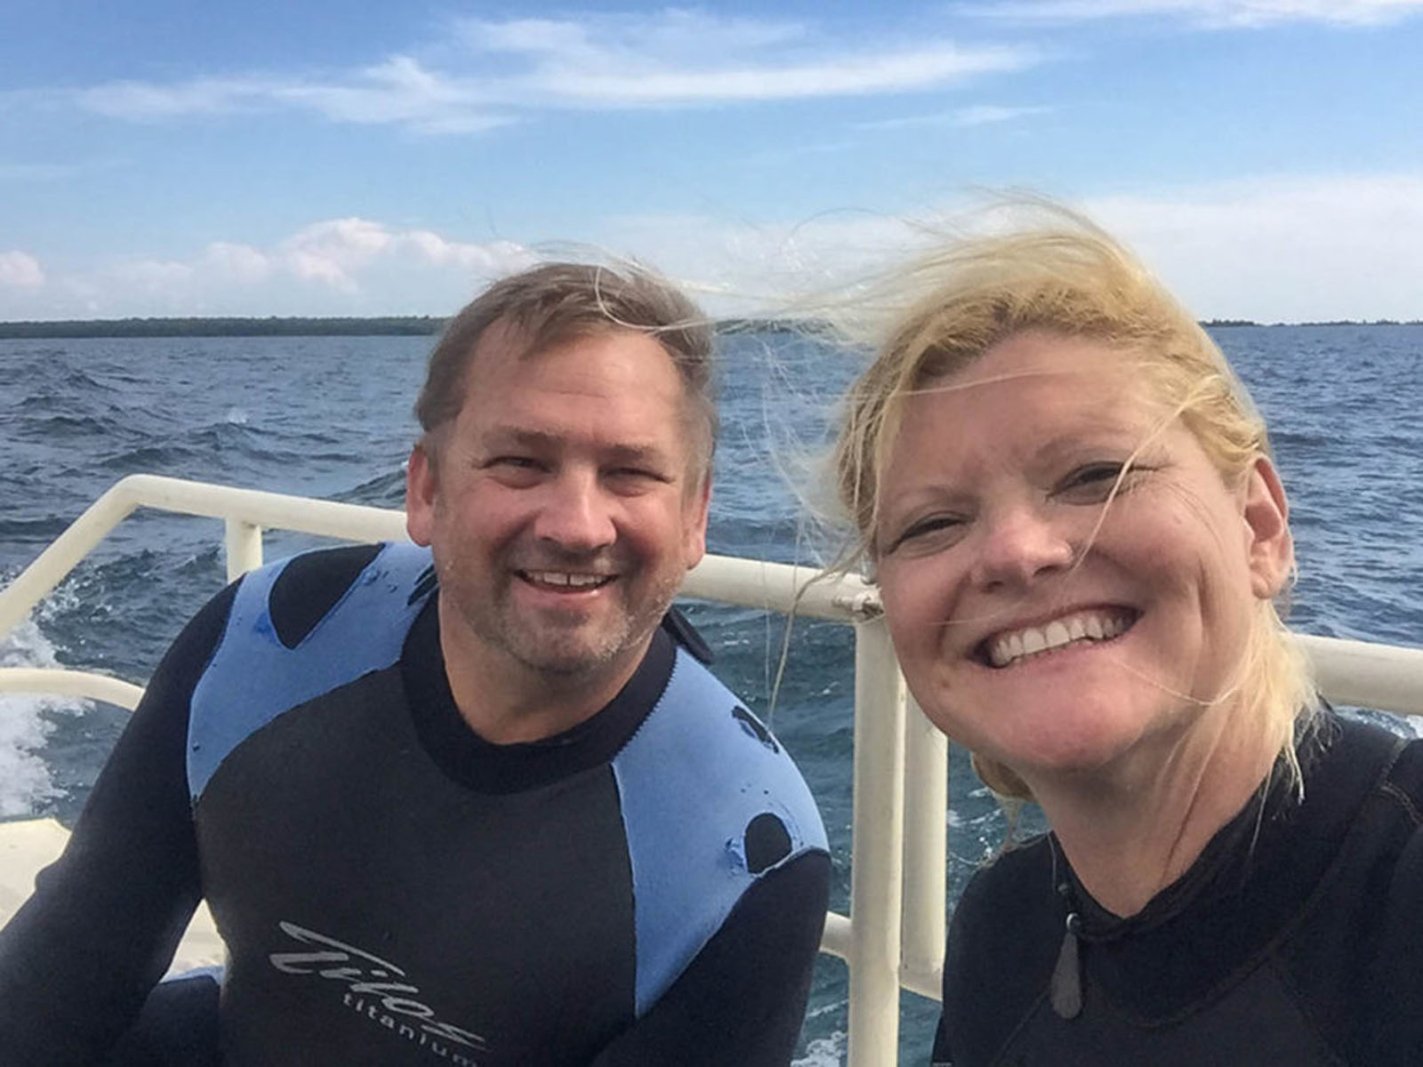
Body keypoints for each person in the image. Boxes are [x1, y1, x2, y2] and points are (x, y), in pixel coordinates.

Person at [0, 262, 831, 1065]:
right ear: (426, 490)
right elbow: (71, 968)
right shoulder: (266, 642)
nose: (578, 525)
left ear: (694, 516)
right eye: (520, 462)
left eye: (630, 472)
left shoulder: (742, 850)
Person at [830, 210, 1423, 1065]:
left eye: (1095, 475)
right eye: (931, 524)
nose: (1014, 550)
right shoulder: (1002, 931)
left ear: (1257, 527)